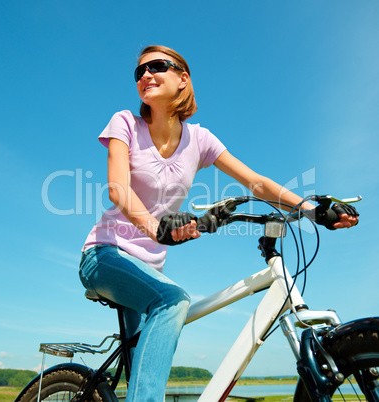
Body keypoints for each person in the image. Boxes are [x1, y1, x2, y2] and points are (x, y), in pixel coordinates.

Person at [79, 45, 359, 402]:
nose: (145, 75)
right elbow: (118, 188)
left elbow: (255, 182)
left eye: (157, 67)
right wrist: (157, 228)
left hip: (147, 268)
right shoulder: (126, 124)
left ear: (183, 79)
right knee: (173, 301)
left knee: (143, 367)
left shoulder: (200, 139)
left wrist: (311, 209)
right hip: (104, 254)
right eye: (139, 72)